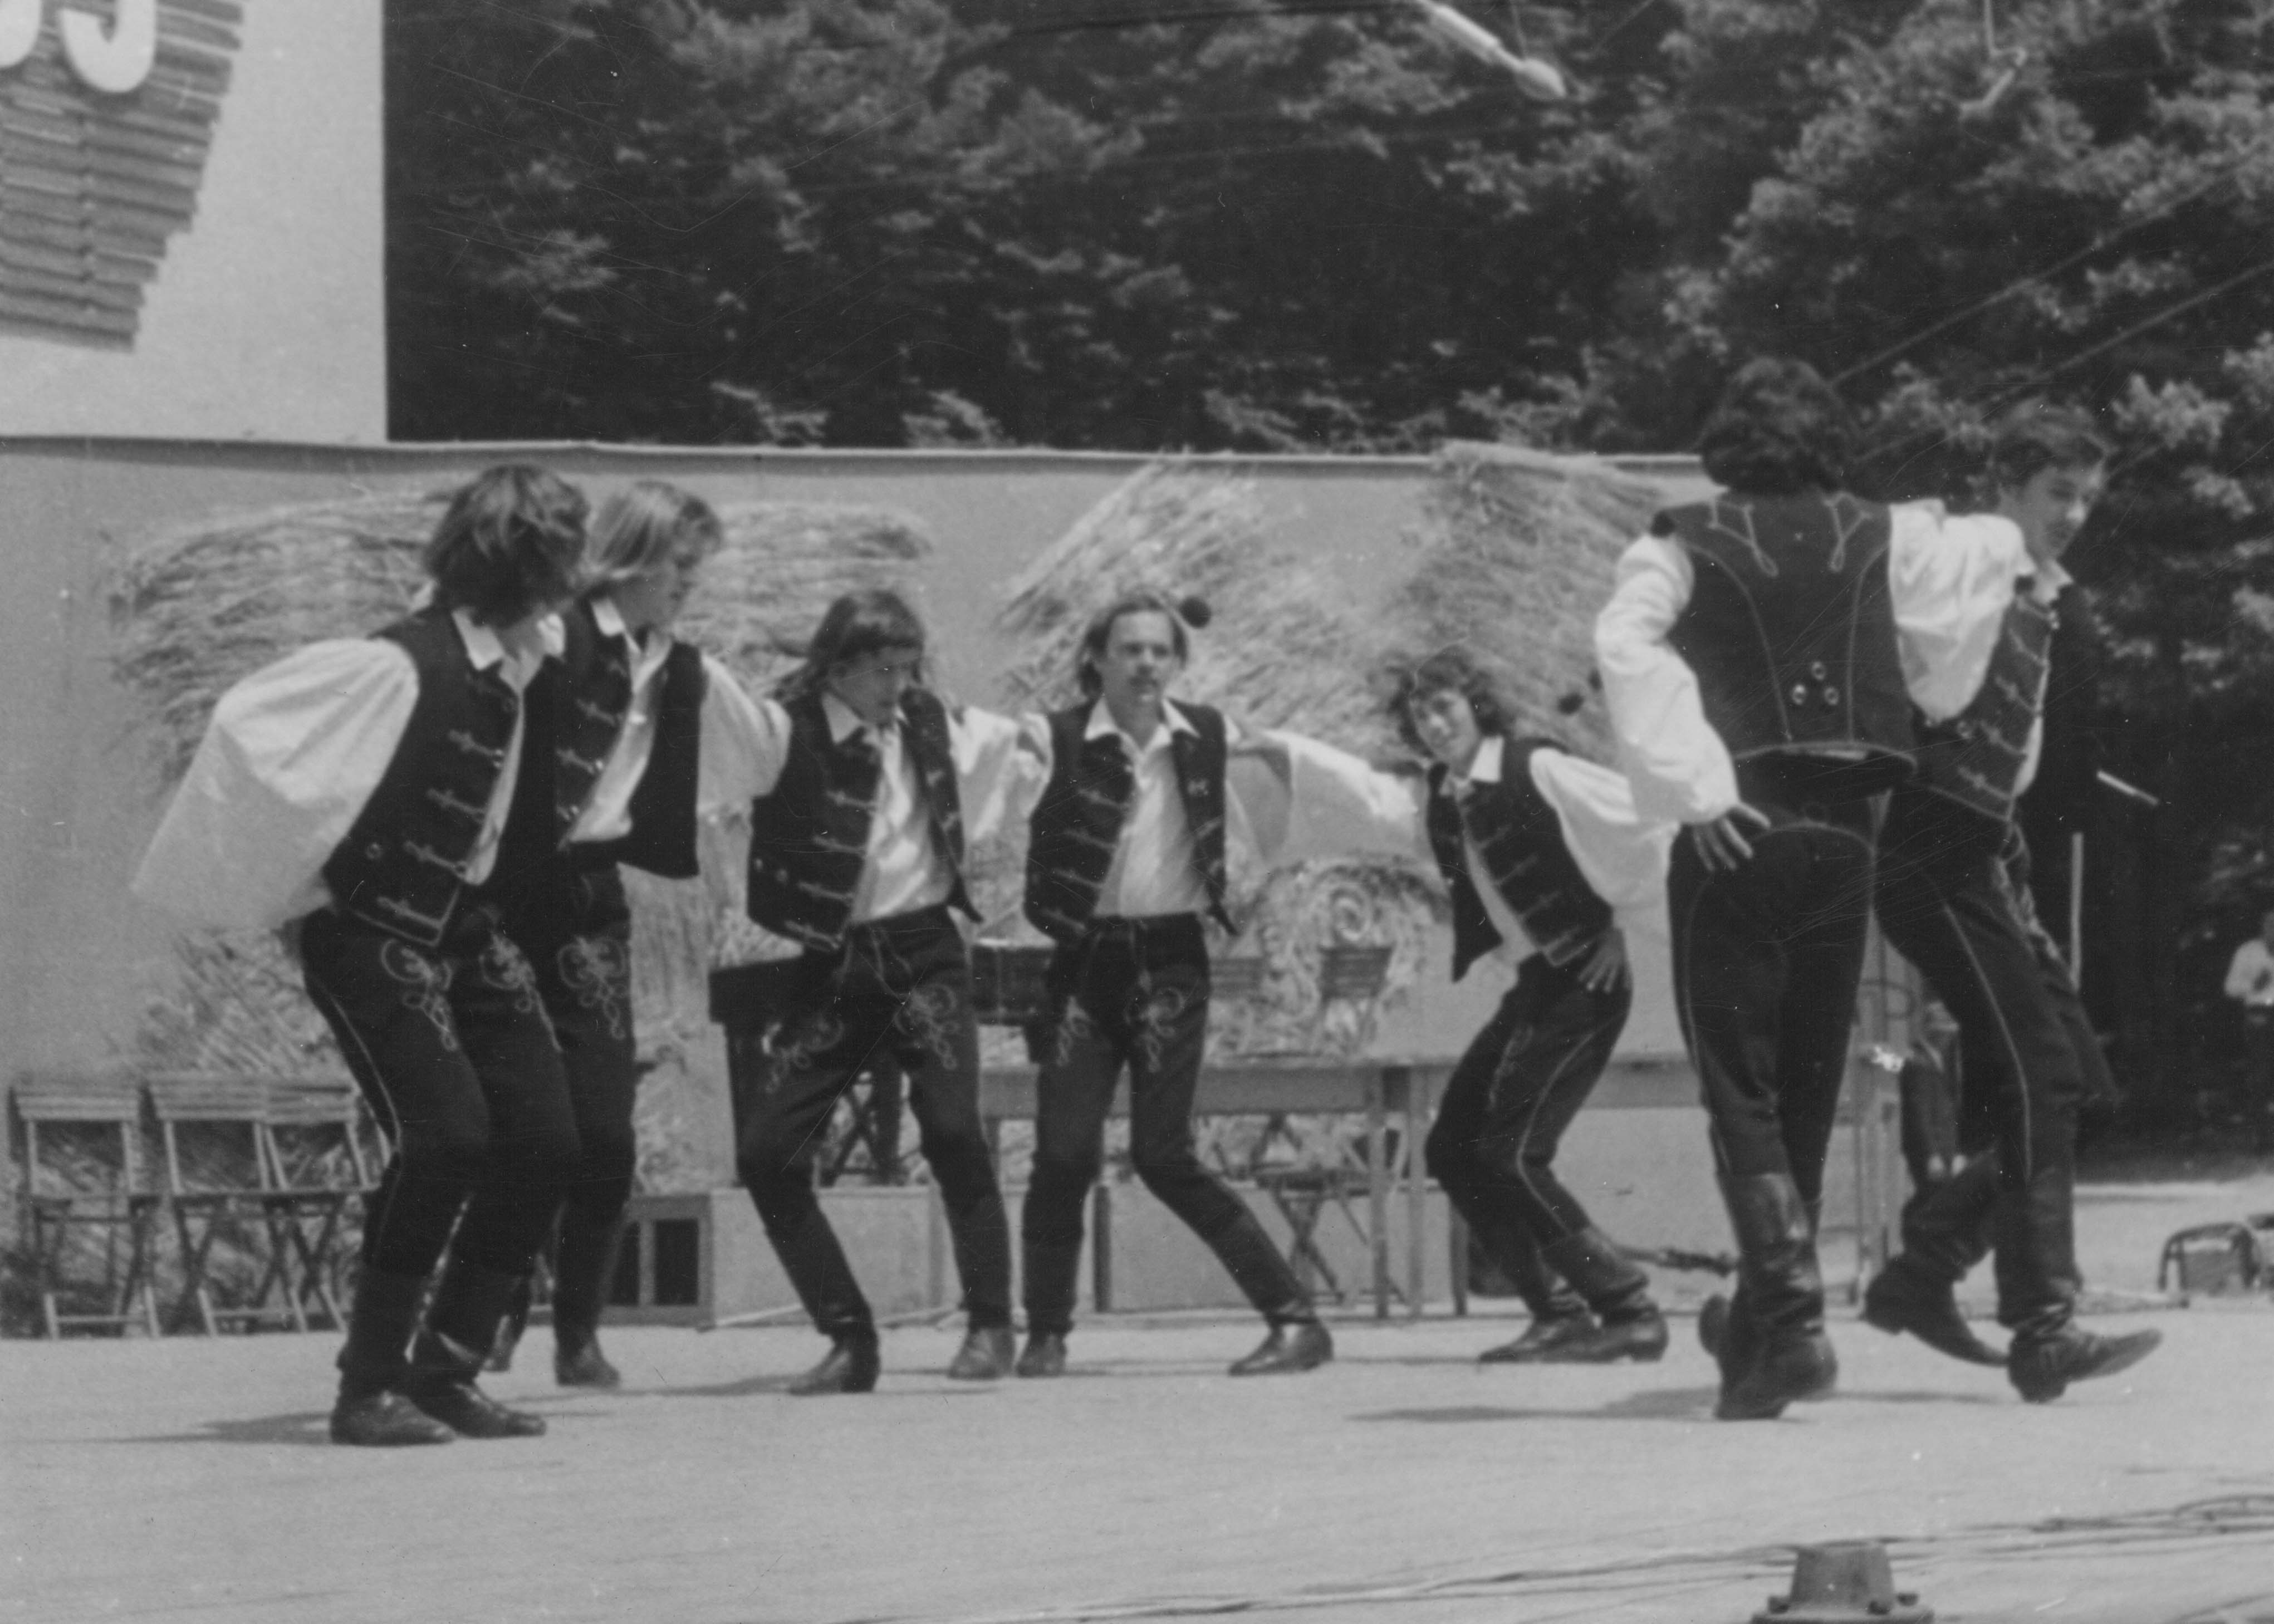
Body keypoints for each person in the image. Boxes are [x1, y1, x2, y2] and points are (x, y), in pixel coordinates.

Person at [1593, 359, 2023, 1419]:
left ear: (1727, 440)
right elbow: (1969, 594)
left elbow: (1623, 647)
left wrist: (1696, 789)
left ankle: (1789, 1324)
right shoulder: (1888, 533)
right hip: (1847, 832)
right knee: (1807, 1081)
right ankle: (1760, 1339)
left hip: (1739, 827)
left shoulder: (1678, 541)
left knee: (1738, 1085)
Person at [133, 464, 590, 1446]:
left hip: (464, 928)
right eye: (562, 564)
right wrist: (293, 884)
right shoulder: (396, 665)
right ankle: (368, 1387)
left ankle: (446, 1370)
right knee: (447, 1138)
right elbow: (251, 729)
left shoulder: (524, 661)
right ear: (527, 571)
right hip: (373, 932)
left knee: (549, 1140)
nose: (572, 586)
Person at [1861, 403, 2161, 1402]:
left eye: (2086, 497)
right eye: (2056, 493)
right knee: (2042, 1077)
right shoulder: (1968, 558)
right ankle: (2042, 1326)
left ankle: (1922, 1269)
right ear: (2006, 490)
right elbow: (1888, 565)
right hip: (1927, 846)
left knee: (2081, 1089)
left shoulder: (2052, 596)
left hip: (1987, 854)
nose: (2072, 513)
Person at [1265, 646, 1675, 1363]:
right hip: (1536, 986)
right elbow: (1360, 795)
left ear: (1476, 705)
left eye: (1443, 706)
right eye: (1419, 714)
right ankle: (1557, 1312)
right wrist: (1267, 747)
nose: (1432, 723)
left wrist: (1615, 919)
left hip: (1584, 984)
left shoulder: (1535, 767)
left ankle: (1627, 1307)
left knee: (1513, 1154)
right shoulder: (1443, 799)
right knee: (1453, 1149)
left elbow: (1635, 827)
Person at [711, 589, 1035, 1394]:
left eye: (908, 668)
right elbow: (717, 739)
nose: (900, 685)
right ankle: (849, 1337)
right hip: (836, 965)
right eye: (884, 669)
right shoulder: (787, 732)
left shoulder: (928, 719)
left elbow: (1019, 746)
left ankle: (992, 1323)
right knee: (768, 1153)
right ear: (839, 667)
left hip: (925, 953)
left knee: (953, 1131)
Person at [485, 481, 771, 1388]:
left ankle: (577, 1332)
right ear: (631, 557)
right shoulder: (553, 636)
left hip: (591, 901)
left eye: (696, 568)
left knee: (605, 1137)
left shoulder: (682, 669)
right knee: (527, 1131)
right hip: (505, 896)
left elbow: (766, 749)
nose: (689, 582)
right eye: (678, 564)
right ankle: (488, 1310)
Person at [1016, 592, 1342, 1379]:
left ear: (1177, 662)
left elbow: (1302, 773)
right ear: (1097, 658)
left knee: (1163, 1155)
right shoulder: (1054, 738)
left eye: (1160, 651)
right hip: (1084, 964)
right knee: (1062, 1153)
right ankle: (1045, 1332)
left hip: (1170, 962)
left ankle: (1295, 1320)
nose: (1145, 665)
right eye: (1129, 650)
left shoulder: (1209, 735)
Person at [2222, 909, 2274, 1142]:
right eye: (2270, 924)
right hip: (2260, 1014)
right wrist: (2254, 985)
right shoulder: (2248, 951)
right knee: (2262, 1074)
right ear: (2263, 925)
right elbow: (2230, 987)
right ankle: (2262, 1137)